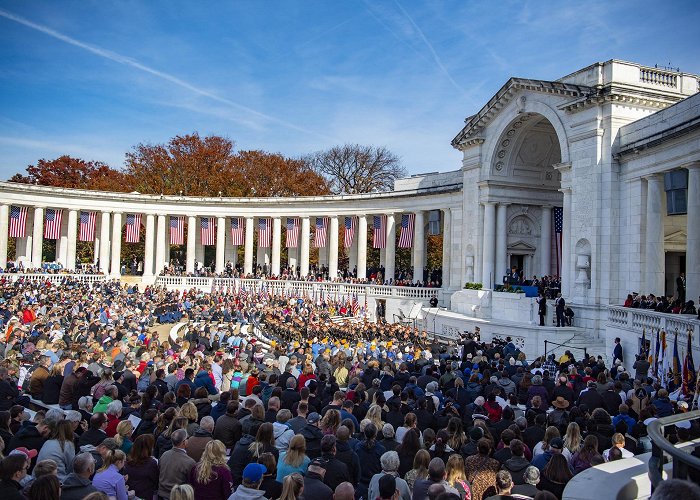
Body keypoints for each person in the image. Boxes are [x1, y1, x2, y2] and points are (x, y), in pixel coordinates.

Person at [158, 429, 195, 500]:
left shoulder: (164, 455)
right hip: (177, 496)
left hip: (161, 495)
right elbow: (191, 483)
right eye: (187, 438)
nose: (189, 439)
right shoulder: (189, 462)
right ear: (184, 442)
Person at [123, 434, 159, 500]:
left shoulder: (128, 461)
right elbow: (155, 481)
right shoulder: (151, 463)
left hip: (131, 494)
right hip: (144, 495)